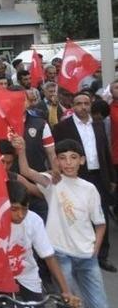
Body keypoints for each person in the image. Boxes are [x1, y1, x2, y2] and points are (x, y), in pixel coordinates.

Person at [15, 136, 108, 308]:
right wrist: (21, 150)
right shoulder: (52, 182)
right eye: (63, 158)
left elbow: (100, 224)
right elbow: (26, 171)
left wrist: (95, 250)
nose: (68, 163)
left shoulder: (90, 189)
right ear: (56, 161)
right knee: (68, 303)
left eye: (73, 157)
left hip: (87, 255)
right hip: (60, 254)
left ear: (82, 160)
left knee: (100, 303)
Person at [0, 180, 80, 308]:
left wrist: (66, 291)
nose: (20, 215)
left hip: (28, 278)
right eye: (14, 209)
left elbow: (49, 257)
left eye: (25, 209)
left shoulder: (34, 221)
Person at [51, 91, 116, 271]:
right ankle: (76, 251)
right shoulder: (63, 127)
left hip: (99, 177)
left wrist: (111, 177)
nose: (83, 107)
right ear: (73, 106)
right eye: (78, 103)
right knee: (77, 214)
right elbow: (57, 154)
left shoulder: (99, 125)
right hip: (77, 175)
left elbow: (105, 152)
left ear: (91, 104)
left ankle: (101, 255)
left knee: (101, 215)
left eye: (86, 103)